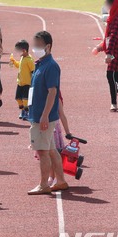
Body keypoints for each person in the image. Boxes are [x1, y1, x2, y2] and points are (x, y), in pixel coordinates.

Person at [27, 31, 68, 195]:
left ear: (48, 46)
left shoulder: (51, 66)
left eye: (38, 46)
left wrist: (44, 115)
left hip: (43, 117)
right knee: (51, 150)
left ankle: (44, 184)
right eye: (34, 45)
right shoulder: (41, 64)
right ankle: (61, 181)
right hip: (39, 115)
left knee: (43, 151)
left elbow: (53, 92)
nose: (34, 48)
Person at [9, 40, 35, 120]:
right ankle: (23, 110)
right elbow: (19, 66)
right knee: (18, 98)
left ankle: (27, 112)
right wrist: (14, 62)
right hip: (20, 82)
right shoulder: (22, 58)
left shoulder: (29, 60)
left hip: (27, 83)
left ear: (24, 50)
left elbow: (33, 71)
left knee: (25, 99)